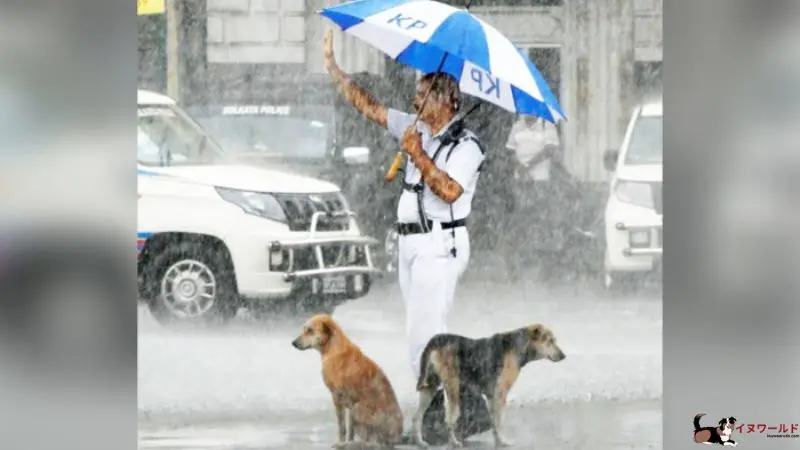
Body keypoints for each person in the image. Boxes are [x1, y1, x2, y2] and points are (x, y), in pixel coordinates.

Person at [322, 30, 491, 443]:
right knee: (421, 337)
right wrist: (334, 69)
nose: (415, 102)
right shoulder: (417, 127)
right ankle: (461, 411)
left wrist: (416, 153)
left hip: (440, 244)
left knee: (425, 337)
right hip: (411, 245)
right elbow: (372, 108)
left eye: (422, 95)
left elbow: (450, 191)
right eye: (416, 95)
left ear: (446, 99)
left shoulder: (467, 145)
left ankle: (445, 418)